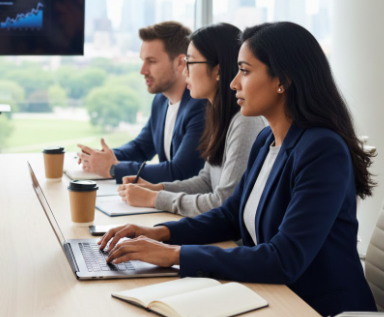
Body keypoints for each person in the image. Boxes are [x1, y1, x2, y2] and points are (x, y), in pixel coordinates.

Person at [98, 22, 377, 317]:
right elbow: (230, 215)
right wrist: (161, 233)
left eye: (244, 71)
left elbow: (285, 258)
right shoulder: (266, 139)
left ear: (283, 79)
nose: (233, 83)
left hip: (316, 307)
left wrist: (175, 255)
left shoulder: (322, 150)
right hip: (270, 294)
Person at [117, 23, 266, 217]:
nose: (185, 72)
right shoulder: (218, 115)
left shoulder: (244, 122)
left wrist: (154, 198)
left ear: (218, 71)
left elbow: (223, 202)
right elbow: (205, 181)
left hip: (230, 242)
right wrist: (155, 188)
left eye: (191, 63)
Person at [77, 22, 206, 184]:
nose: (142, 70)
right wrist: (99, 157)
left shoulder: (200, 106)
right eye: (143, 61)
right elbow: (141, 147)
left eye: (151, 61)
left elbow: (180, 171)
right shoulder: (161, 100)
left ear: (181, 62)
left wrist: (113, 168)